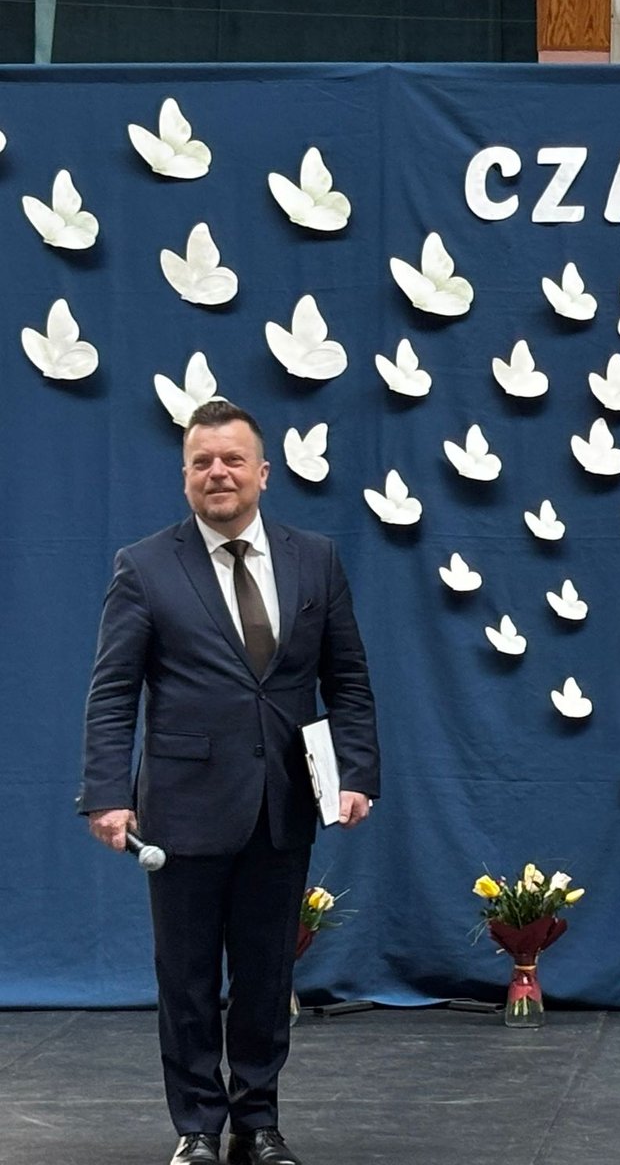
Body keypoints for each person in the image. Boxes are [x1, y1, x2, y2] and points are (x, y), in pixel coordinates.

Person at [78, 400, 380, 1165]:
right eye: (202, 462)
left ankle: (258, 1122)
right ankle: (197, 1129)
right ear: (185, 477)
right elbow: (113, 691)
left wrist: (355, 773)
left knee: (265, 976)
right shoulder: (145, 565)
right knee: (185, 980)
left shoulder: (316, 560)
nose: (219, 472)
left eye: (233, 460)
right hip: (182, 810)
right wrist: (108, 792)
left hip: (283, 805)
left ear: (263, 473)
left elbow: (348, 681)